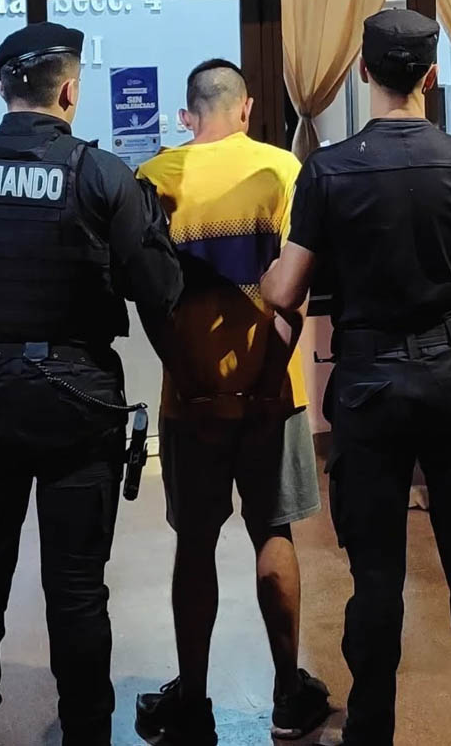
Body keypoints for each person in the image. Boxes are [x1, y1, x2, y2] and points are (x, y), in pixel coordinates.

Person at [0, 22, 183, 746]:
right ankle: (87, 733)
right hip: (77, 400)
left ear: (3, 88)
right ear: (69, 93)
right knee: (77, 590)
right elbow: (159, 291)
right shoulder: (101, 175)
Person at [261, 9, 451, 746]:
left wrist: (266, 278)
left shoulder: (328, 169)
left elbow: (287, 292)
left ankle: (371, 729)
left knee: (375, 577)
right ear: (432, 76)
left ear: (363, 71)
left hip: (368, 384)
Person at [134, 59, 330, 745]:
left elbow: (152, 299)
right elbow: (294, 293)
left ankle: (192, 702)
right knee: (273, 531)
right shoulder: (283, 170)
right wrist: (267, 378)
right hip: (273, 397)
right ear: (245, 109)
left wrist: (189, 376)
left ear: (189, 114)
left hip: (191, 400)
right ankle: (288, 696)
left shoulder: (155, 178)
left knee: (195, 542)